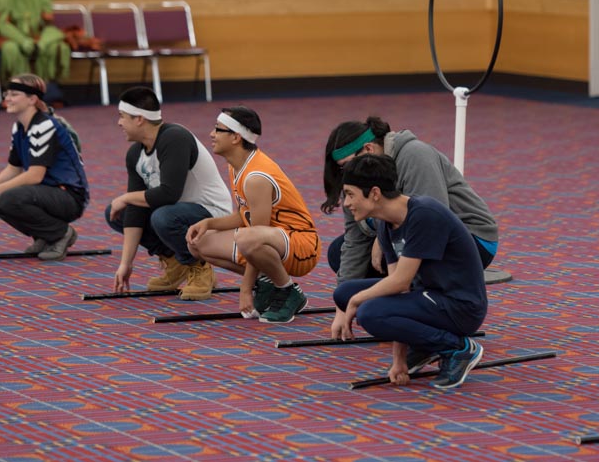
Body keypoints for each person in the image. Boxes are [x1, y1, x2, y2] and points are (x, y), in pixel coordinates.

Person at [330, 155, 488, 390]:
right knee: (344, 293)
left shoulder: (423, 214)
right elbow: (398, 290)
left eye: (350, 194)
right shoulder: (386, 224)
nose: (346, 203)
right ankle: (424, 345)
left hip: (460, 306)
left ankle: (457, 348)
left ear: (374, 193)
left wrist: (357, 301)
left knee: (368, 312)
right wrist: (399, 360)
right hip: (429, 296)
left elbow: (401, 282)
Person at [322, 117, 498, 282]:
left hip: (470, 238)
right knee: (338, 253)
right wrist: (344, 295)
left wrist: (382, 239)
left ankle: (413, 291)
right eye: (341, 169)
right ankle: (396, 289)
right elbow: (355, 241)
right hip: (403, 235)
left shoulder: (415, 155)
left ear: (368, 149)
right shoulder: (354, 179)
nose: (344, 174)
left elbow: (432, 220)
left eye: (347, 165)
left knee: (393, 255)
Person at [186, 106, 320, 324]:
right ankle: (269, 282)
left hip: (302, 245)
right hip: (274, 240)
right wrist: (209, 223)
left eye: (218, 129)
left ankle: (288, 290)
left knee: (247, 238)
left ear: (236, 137)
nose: (211, 134)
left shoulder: (256, 177)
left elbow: (256, 233)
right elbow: (246, 216)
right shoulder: (237, 165)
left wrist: (245, 289)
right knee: (197, 243)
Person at [107, 87, 233, 300]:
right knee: (118, 212)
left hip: (211, 212)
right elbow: (136, 212)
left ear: (139, 119)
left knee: (162, 216)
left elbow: (169, 194)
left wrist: (126, 197)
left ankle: (199, 266)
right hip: (176, 213)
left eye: (122, 116)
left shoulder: (175, 137)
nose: (119, 123)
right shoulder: (135, 154)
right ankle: (175, 262)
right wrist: (125, 264)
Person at [0, 74, 88, 260]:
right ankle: (44, 235)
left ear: (32, 99)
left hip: (69, 196)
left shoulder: (44, 126)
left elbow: (35, 175)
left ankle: (60, 234)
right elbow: (13, 168)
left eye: (14, 94)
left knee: (9, 197)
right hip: (45, 192)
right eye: (7, 93)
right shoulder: (19, 126)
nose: (7, 98)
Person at [0, 0, 69, 100]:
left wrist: (42, 43)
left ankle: (49, 90)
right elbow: (2, 24)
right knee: (10, 49)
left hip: (37, 36)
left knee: (58, 47)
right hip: (14, 38)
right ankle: (17, 91)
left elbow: (48, 24)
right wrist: (22, 40)